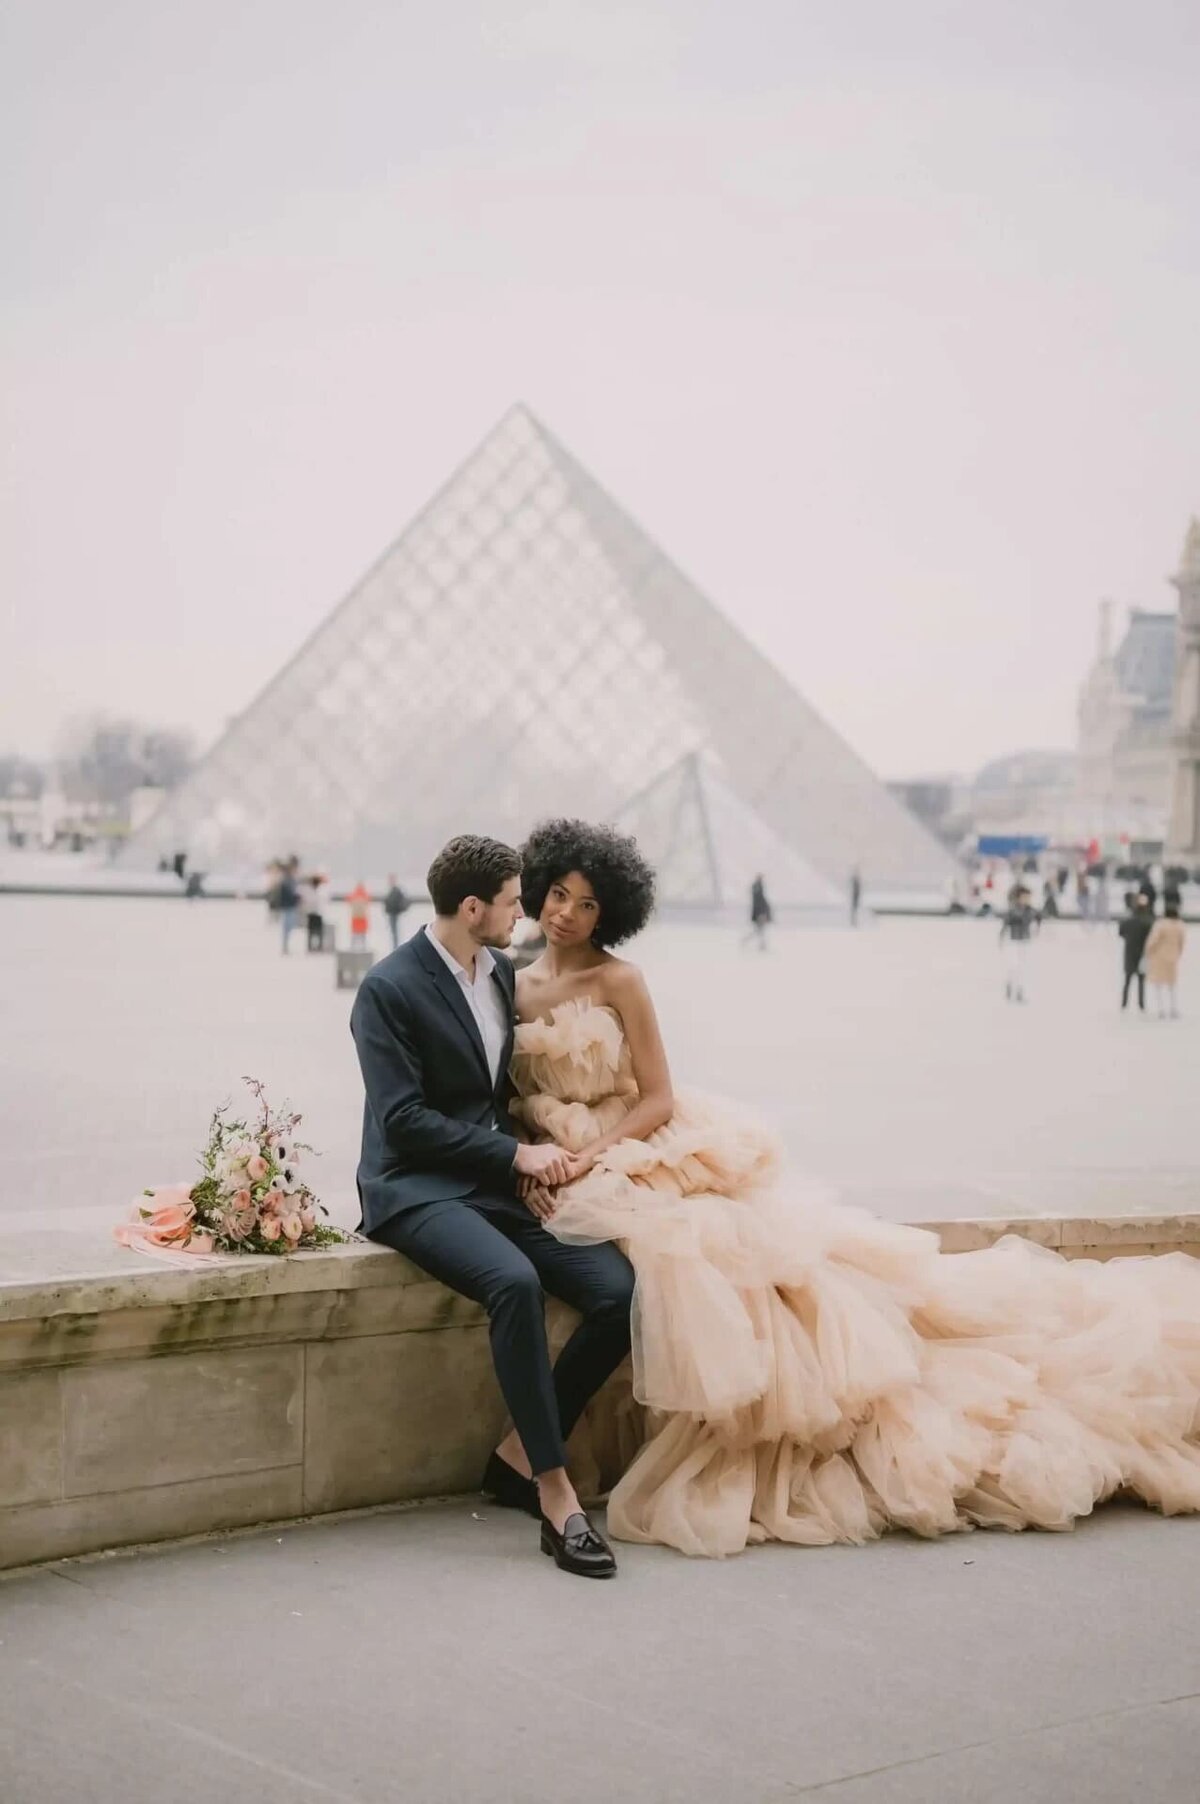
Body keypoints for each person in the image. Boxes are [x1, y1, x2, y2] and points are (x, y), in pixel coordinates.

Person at [501, 817, 1200, 1559]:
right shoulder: (509, 983)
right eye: (556, 894)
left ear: (609, 912)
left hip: (634, 1149)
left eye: (585, 903)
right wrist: (531, 1158)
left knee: (719, 1268)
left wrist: (595, 1159)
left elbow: (658, 1097)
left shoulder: (620, 980)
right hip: (556, 1158)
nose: (564, 913)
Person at [350, 834, 633, 1579]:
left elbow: (489, 1097)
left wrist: (523, 1160)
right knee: (513, 1283)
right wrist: (512, 1157)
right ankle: (555, 1494)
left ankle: (515, 1456)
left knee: (615, 1292)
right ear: (472, 908)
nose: (528, 913)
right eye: (513, 902)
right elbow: (402, 1119)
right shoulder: (388, 988)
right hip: (410, 1187)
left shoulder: (500, 974)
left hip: (489, 1180)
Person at [1145, 900, 1186, 1019]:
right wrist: (1178, 954)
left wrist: (1148, 952)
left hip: (1159, 957)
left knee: (1158, 985)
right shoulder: (1180, 926)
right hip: (1172, 957)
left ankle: (1161, 1009)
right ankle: (1173, 1008)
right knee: (1171, 985)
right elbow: (1181, 943)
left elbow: (1152, 941)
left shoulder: (1160, 925)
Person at [998, 884, 1037, 1002]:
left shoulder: (1030, 911)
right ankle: (1010, 985)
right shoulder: (1013, 911)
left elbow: (1037, 921)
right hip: (1013, 941)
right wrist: (1001, 939)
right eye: (1025, 897)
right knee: (1014, 966)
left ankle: (1019, 991)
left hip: (1024, 941)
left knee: (1022, 967)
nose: (1027, 899)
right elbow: (1005, 925)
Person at [1119, 892, 1153, 1012]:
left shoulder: (1128, 921)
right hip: (1142, 954)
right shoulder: (1148, 922)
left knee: (1127, 980)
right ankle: (1141, 1004)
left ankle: (1124, 1003)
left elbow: (1121, 932)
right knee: (1141, 981)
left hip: (1129, 953)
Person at [742, 873, 772, 950]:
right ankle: (758, 944)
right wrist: (762, 913)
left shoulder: (757, 888)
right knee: (759, 930)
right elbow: (759, 902)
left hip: (759, 912)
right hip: (759, 913)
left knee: (759, 930)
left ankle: (761, 944)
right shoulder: (757, 888)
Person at [277, 862, 300, 954]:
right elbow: (289, 894)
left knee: (288, 925)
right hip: (289, 906)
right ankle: (285, 946)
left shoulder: (289, 880)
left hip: (289, 905)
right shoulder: (288, 881)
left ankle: (285, 945)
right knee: (287, 926)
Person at [383, 874, 410, 951]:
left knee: (395, 931)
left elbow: (395, 901)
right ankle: (395, 946)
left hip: (394, 913)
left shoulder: (396, 890)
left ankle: (395, 946)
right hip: (392, 913)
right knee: (394, 931)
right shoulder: (392, 890)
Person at [302, 873, 327, 953]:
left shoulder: (319, 890)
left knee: (318, 931)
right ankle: (311, 947)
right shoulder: (309, 890)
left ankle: (318, 946)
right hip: (312, 913)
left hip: (316, 913)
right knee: (312, 931)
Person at [347, 880, 371, 950]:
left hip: (355, 917)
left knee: (354, 933)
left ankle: (353, 946)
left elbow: (349, 900)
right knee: (363, 934)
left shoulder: (353, 894)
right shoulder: (365, 894)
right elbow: (368, 902)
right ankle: (363, 946)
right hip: (363, 918)